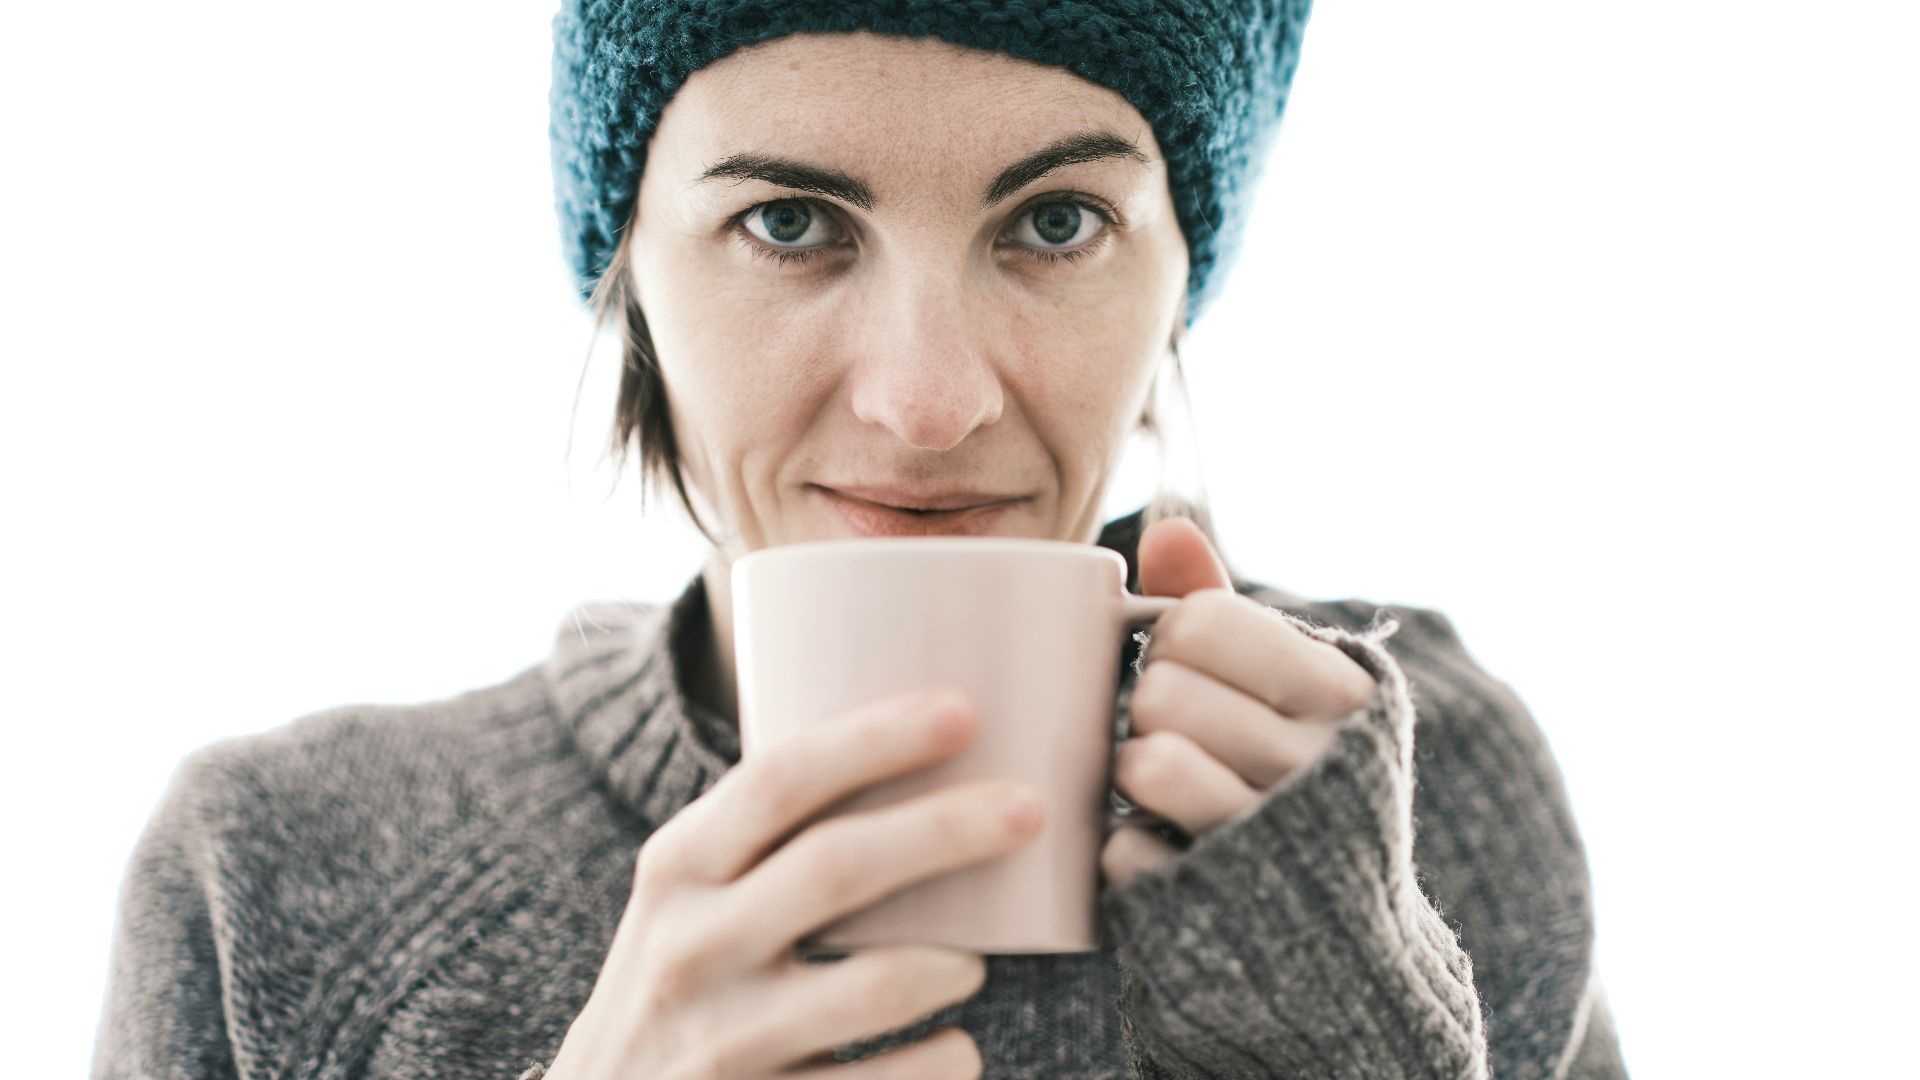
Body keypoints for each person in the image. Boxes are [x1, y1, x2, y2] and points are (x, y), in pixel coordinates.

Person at [92, 3, 1629, 1078]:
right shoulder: (276, 875)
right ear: (631, 270)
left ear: (1183, 267)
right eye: (788, 223)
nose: (926, 402)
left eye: (1056, 222)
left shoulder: (1426, 794)